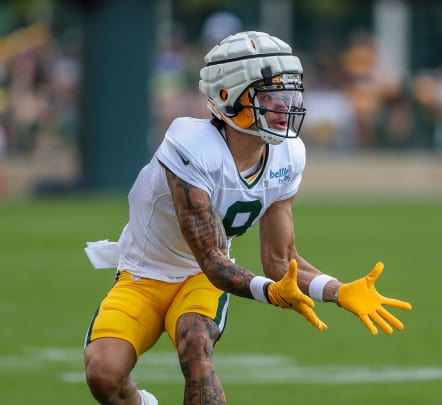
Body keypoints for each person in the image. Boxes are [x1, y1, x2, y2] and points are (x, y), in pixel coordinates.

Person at [83, 31, 413, 405]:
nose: (284, 107)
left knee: (196, 349)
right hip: (145, 273)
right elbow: (213, 260)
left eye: (288, 95)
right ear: (227, 96)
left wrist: (337, 290)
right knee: (104, 374)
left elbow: (279, 260)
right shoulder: (190, 145)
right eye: (270, 96)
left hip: (199, 279)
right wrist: (270, 293)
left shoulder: (288, 154)